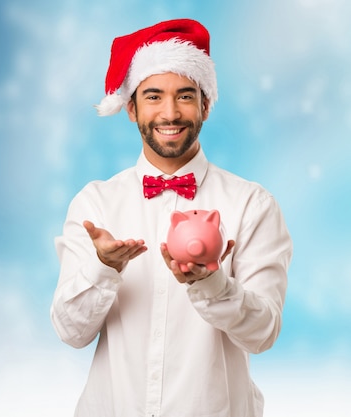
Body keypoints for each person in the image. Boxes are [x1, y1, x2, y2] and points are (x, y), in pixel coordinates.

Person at [50, 18, 293, 417]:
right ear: (131, 108)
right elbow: (70, 331)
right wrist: (103, 268)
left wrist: (213, 284)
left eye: (184, 96)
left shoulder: (252, 204)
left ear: (205, 105)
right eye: (152, 96)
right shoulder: (95, 204)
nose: (170, 112)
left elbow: (263, 333)